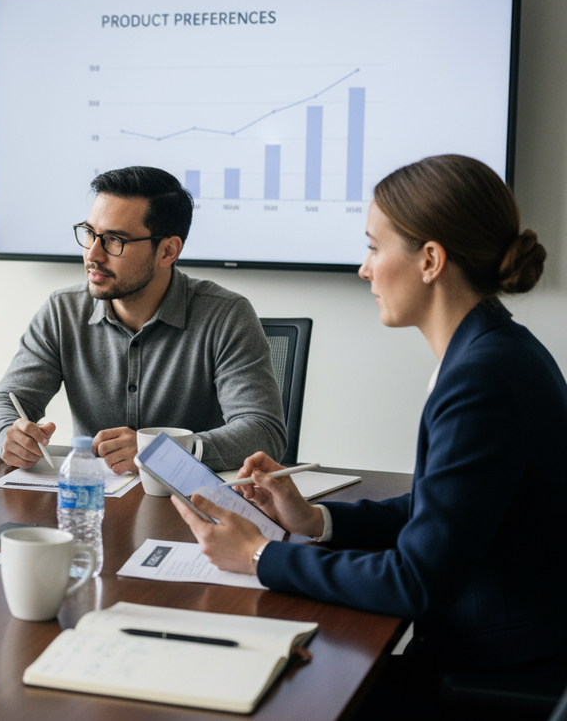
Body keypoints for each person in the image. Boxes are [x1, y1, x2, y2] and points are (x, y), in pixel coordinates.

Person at [174, 155, 566, 710]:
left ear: (430, 260)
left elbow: (417, 581)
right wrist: (315, 520)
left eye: (374, 247)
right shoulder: (494, 350)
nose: (364, 269)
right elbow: (441, 512)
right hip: (494, 641)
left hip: (496, 669)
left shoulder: (482, 378)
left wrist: (261, 555)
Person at [0, 166, 286, 473]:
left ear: (168, 251)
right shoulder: (63, 311)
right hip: (90, 505)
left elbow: (263, 432)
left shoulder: (226, 315)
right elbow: (3, 405)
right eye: (90, 234)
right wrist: (7, 434)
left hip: (191, 507)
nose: (93, 255)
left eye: (115, 240)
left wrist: (164, 452)